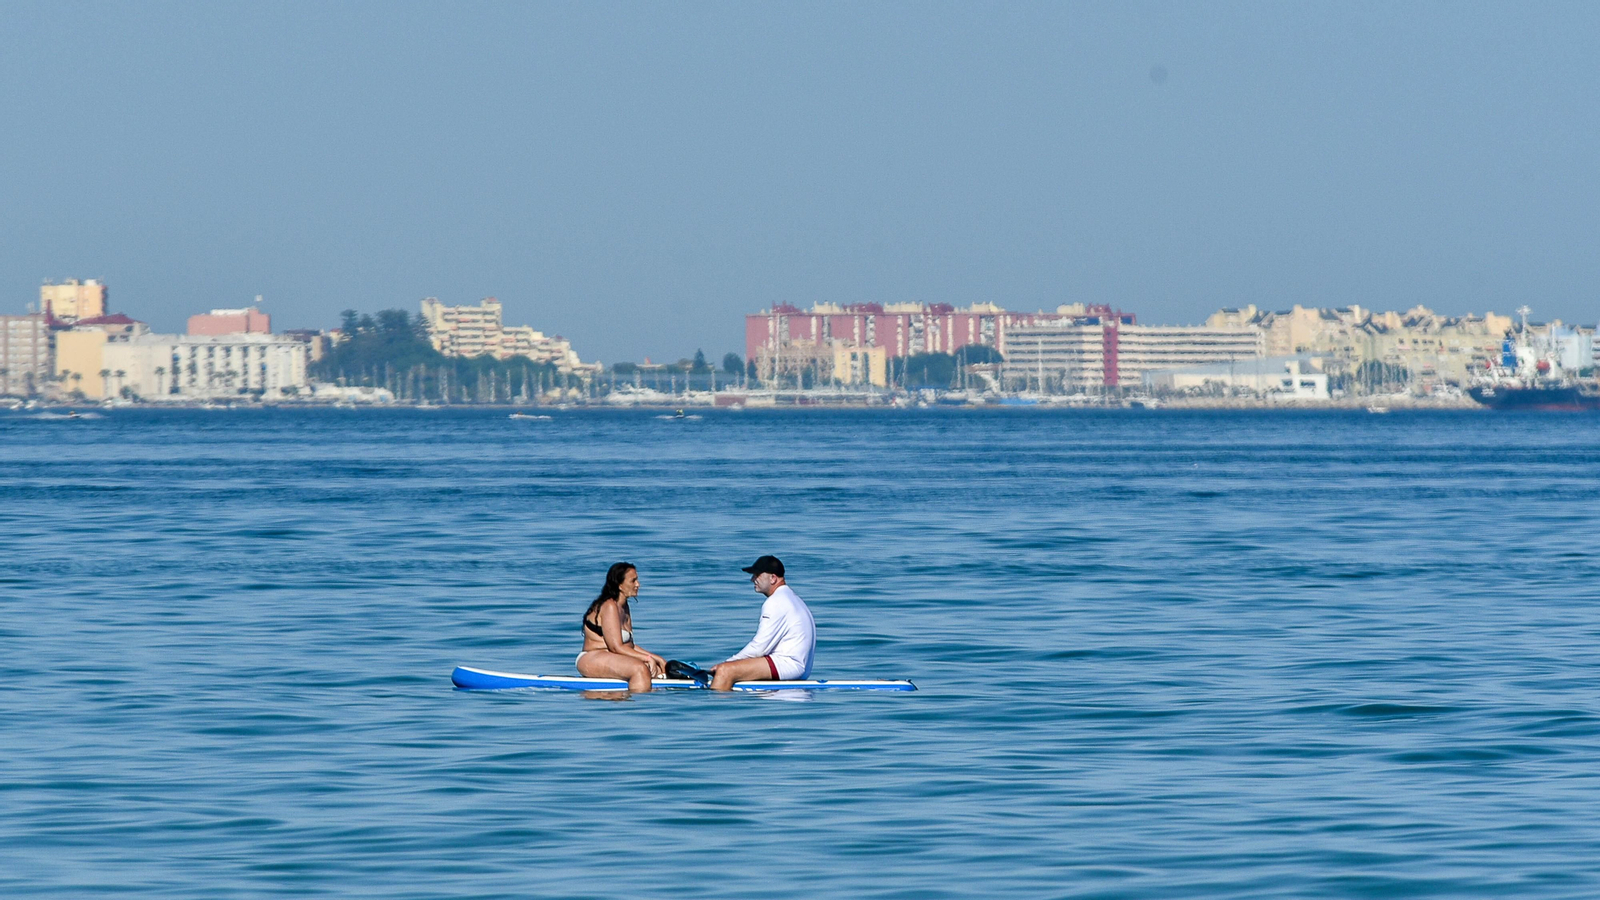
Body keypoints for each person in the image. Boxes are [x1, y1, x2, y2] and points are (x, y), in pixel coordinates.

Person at [710, 555, 815, 691]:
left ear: (773, 578)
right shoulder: (794, 599)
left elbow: (759, 647)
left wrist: (726, 664)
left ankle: (713, 706)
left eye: (757, 575)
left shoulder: (776, 602)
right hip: (801, 668)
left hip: (788, 666)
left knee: (725, 671)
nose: (752, 579)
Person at [576, 562, 667, 692]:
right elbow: (616, 646)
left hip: (614, 656)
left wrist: (658, 659)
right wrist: (647, 659)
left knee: (657, 670)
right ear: (620, 585)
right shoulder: (609, 606)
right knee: (640, 668)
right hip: (591, 657)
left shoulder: (624, 607)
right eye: (633, 581)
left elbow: (630, 646)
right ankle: (639, 707)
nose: (638, 584)